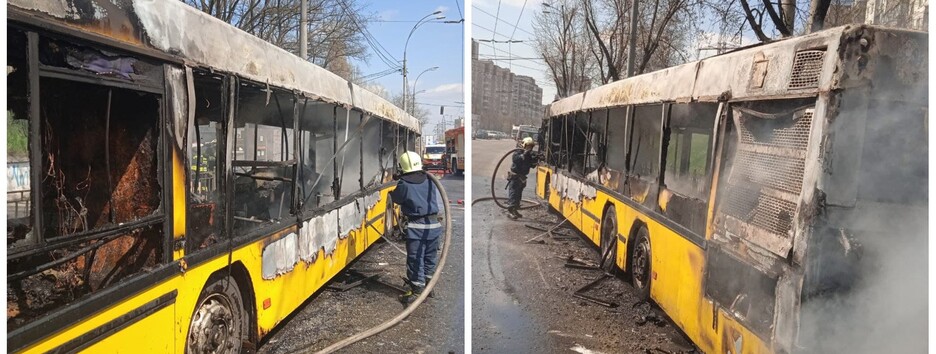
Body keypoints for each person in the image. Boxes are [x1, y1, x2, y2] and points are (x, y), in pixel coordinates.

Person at [390, 151, 443, 304]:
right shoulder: (430, 179)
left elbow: (397, 198)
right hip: (434, 226)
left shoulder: (404, 184)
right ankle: (428, 286)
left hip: (417, 227)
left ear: (402, 167)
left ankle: (417, 290)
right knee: (429, 257)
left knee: (415, 259)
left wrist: (396, 185)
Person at [506, 137, 540, 219]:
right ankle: (510, 211)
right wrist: (523, 155)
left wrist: (536, 159)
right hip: (515, 177)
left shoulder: (529, 155)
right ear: (524, 145)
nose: (529, 148)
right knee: (513, 194)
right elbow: (515, 159)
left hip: (522, 178)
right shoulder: (518, 152)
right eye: (528, 146)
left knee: (518, 194)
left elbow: (531, 165)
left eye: (531, 147)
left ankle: (515, 209)